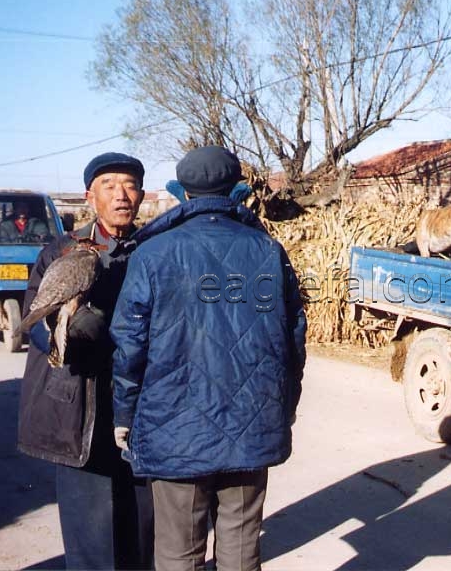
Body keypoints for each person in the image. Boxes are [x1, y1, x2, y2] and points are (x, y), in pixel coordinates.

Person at [110, 145, 307, 571]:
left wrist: (123, 415)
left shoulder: (153, 254)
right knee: (240, 547)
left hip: (173, 428)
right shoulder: (267, 250)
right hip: (253, 421)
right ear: (237, 189)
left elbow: (130, 345)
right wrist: (284, 408)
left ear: (183, 194)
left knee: (179, 550)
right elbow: (294, 338)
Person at [16, 152, 154, 570]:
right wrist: (72, 338)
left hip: (141, 403)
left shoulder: (154, 250)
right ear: (89, 196)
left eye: (129, 186)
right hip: (80, 404)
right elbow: (36, 321)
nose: (121, 195)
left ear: (143, 195)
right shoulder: (61, 250)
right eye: (109, 185)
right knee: (90, 534)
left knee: (143, 527)